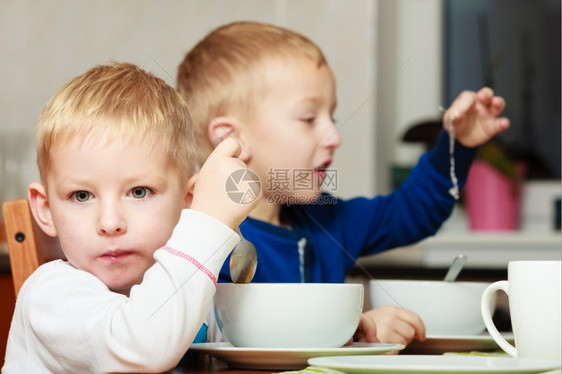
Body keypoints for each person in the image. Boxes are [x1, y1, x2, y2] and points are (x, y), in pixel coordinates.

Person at [176, 21, 511, 347]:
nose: (334, 137)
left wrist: (458, 147)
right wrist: (355, 327)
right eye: (308, 119)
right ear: (230, 137)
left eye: (331, 117)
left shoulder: (329, 219)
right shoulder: (191, 239)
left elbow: (413, 212)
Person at [2, 62, 260, 373]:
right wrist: (208, 221)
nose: (110, 223)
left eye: (139, 192)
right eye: (81, 196)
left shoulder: (193, 292)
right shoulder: (50, 296)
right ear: (45, 210)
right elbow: (142, 345)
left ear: (187, 202)